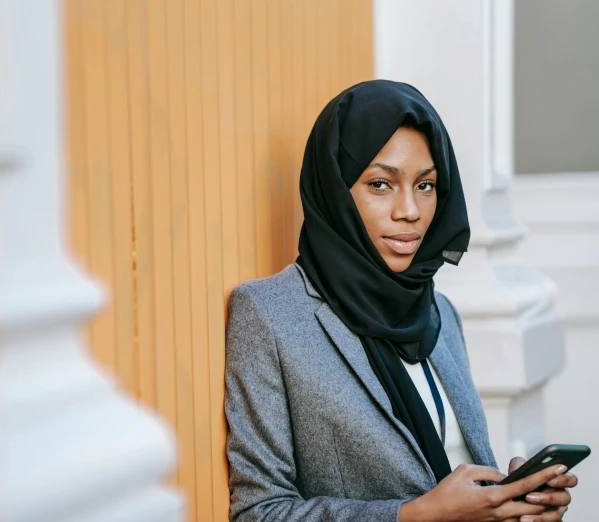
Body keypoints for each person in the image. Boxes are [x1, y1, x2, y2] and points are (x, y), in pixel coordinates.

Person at [224, 80, 578, 522]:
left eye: (426, 185)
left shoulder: (439, 314)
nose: (410, 210)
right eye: (380, 184)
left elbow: (453, 472)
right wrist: (413, 515)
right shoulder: (270, 314)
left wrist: (514, 503)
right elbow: (259, 512)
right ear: (334, 190)